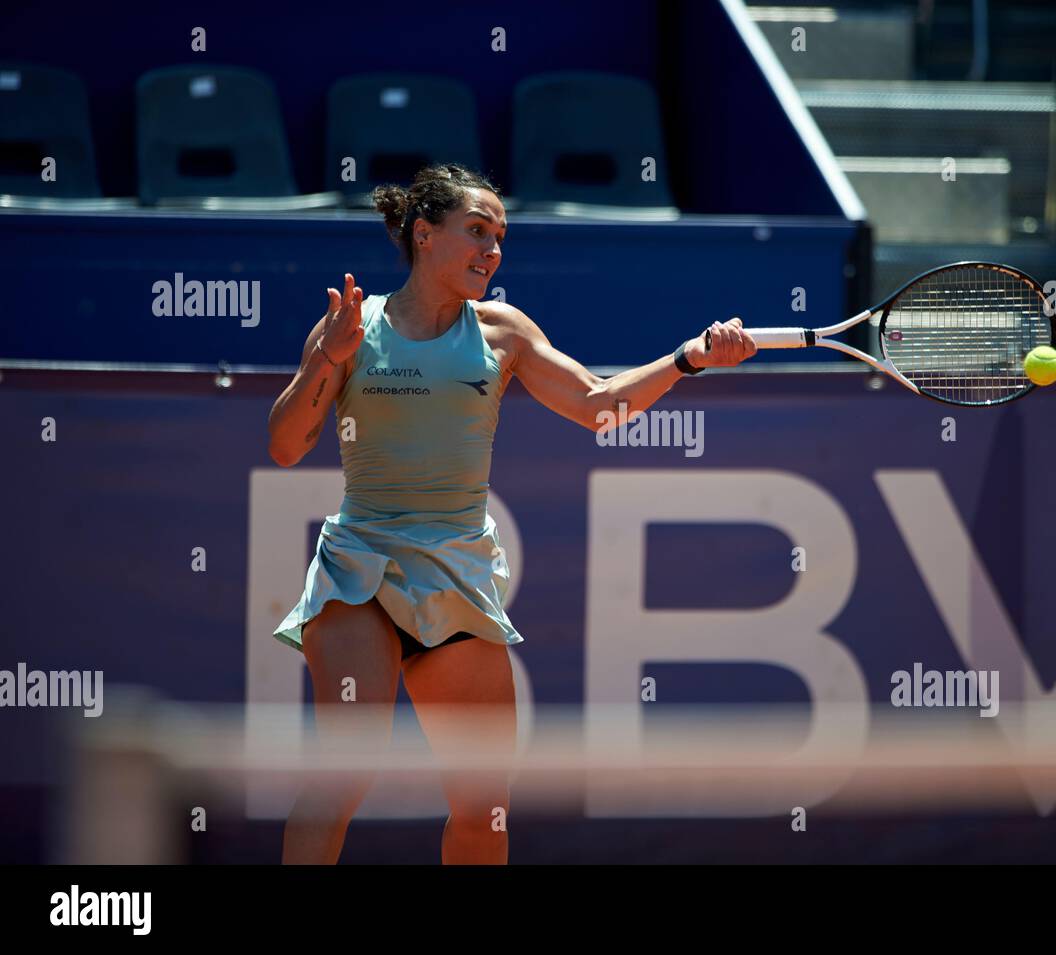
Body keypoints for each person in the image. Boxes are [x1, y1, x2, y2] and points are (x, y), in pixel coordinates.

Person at [265, 164, 756, 864]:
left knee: (484, 809)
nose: (492, 249)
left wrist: (689, 359)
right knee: (342, 775)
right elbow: (285, 447)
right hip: (361, 570)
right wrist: (326, 362)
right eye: (476, 231)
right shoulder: (351, 325)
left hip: (459, 575)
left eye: (499, 236)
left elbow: (598, 405)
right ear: (424, 234)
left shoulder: (504, 332)